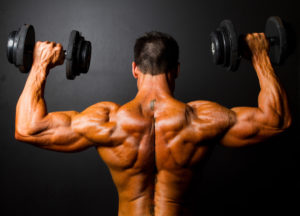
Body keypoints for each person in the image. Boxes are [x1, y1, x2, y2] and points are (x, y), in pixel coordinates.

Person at [15, 31, 291, 216]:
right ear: (177, 70)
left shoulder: (107, 122)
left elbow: (27, 127)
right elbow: (276, 120)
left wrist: (41, 64)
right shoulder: (202, 120)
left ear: (134, 68)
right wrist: (260, 56)